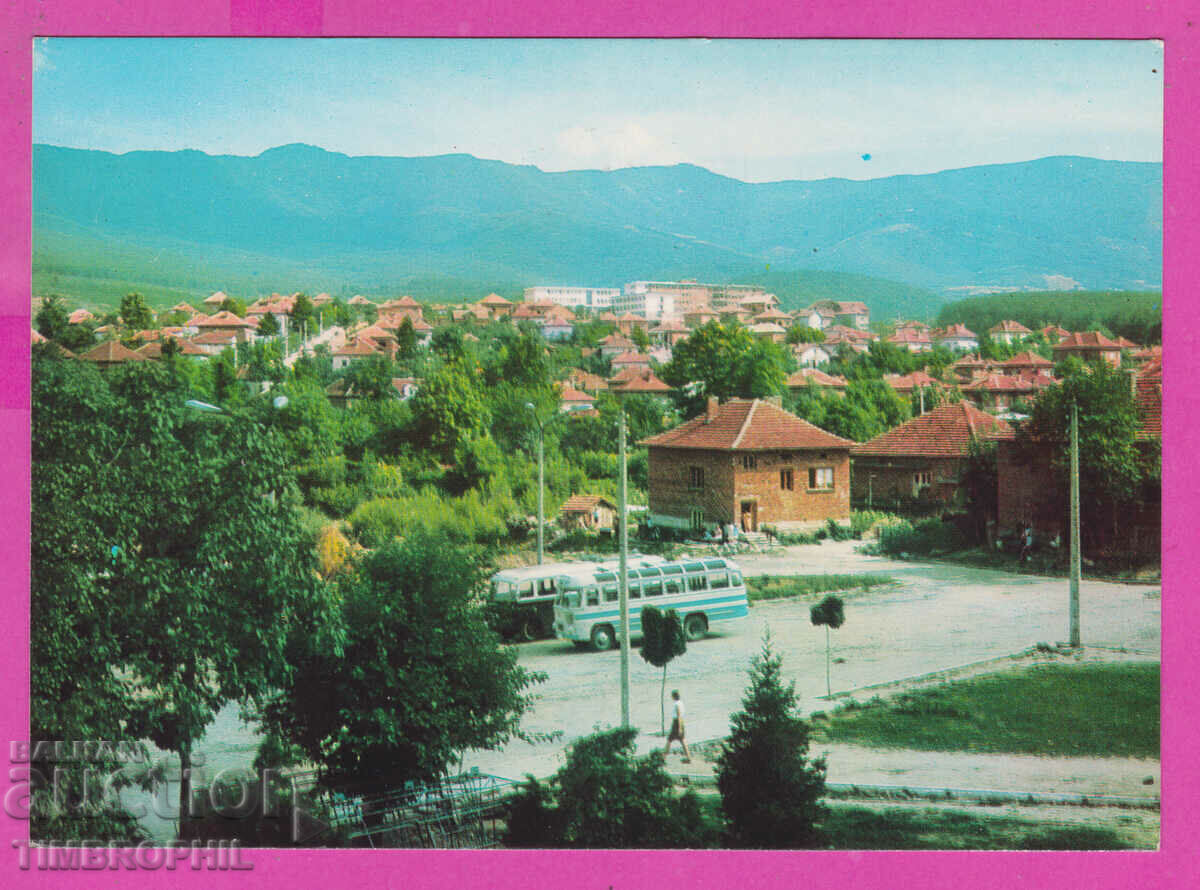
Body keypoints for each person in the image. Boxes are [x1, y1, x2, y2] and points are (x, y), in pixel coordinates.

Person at [664, 689, 691, 763]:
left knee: (669, 740)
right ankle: (688, 757)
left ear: (674, 696)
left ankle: (663, 758)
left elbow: (678, 716)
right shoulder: (681, 703)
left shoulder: (676, 704)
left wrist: (679, 728)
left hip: (676, 723)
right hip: (681, 722)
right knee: (682, 740)